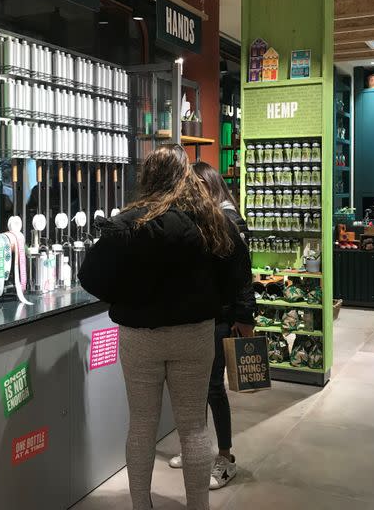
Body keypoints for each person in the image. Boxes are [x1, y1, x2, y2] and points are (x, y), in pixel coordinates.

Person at [78, 145, 251, 510]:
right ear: (185, 176)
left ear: (147, 177)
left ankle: (141, 504)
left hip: (140, 338)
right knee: (193, 427)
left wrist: (122, 299)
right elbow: (238, 270)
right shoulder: (210, 221)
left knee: (141, 424)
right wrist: (218, 305)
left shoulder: (129, 222)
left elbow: (89, 275)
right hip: (195, 334)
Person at [165, 162, 256, 490]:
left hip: (221, 317)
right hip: (207, 316)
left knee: (213, 388)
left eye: (195, 187)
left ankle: (225, 456)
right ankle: (198, 449)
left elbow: (242, 275)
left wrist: (244, 317)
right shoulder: (210, 219)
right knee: (199, 387)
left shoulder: (227, 221)